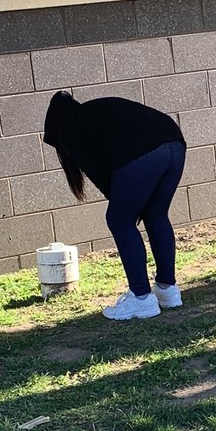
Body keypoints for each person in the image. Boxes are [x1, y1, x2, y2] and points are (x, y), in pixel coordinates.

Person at [44, 92, 187, 320]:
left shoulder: (69, 130)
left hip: (144, 152)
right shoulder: (94, 113)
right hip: (174, 142)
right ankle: (167, 290)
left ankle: (141, 297)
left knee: (119, 220)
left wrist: (126, 205)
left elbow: (102, 177)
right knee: (156, 215)